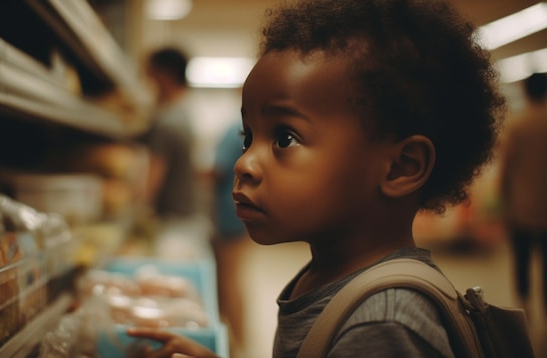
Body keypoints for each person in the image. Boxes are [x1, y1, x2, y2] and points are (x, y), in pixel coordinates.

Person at [127, 0, 505, 356]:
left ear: (401, 167)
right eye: (248, 138)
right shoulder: (325, 275)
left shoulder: (382, 325)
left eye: (284, 138)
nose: (244, 164)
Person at [139, 47, 208, 259]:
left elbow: (152, 182)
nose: (148, 85)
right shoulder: (186, 111)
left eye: (151, 76)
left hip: (174, 225)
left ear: (165, 76)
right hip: (190, 218)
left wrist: (135, 210)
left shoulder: (168, 122)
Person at [498, 72, 547, 315]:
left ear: (527, 91)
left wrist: (503, 198)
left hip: (521, 207)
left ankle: (524, 307)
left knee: (522, 260)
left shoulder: (517, 124)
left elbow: (506, 168)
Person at [210, 120, 250, 357]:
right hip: (236, 214)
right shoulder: (245, 127)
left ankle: (236, 343)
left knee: (229, 280)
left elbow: (218, 169)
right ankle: (237, 341)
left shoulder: (234, 128)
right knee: (232, 278)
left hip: (228, 214)